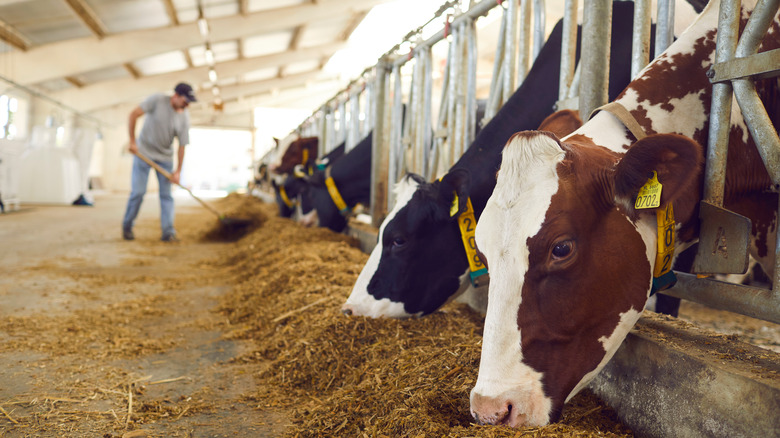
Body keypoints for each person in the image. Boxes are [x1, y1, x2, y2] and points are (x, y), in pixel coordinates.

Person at [121, 82, 196, 242]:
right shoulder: (157, 100)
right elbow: (133, 114)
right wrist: (132, 141)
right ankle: (127, 226)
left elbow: (182, 145)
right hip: (144, 153)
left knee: (166, 195)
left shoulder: (184, 116)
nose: (186, 105)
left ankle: (168, 232)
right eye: (185, 101)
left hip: (165, 159)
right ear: (175, 96)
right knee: (138, 193)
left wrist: (177, 171)